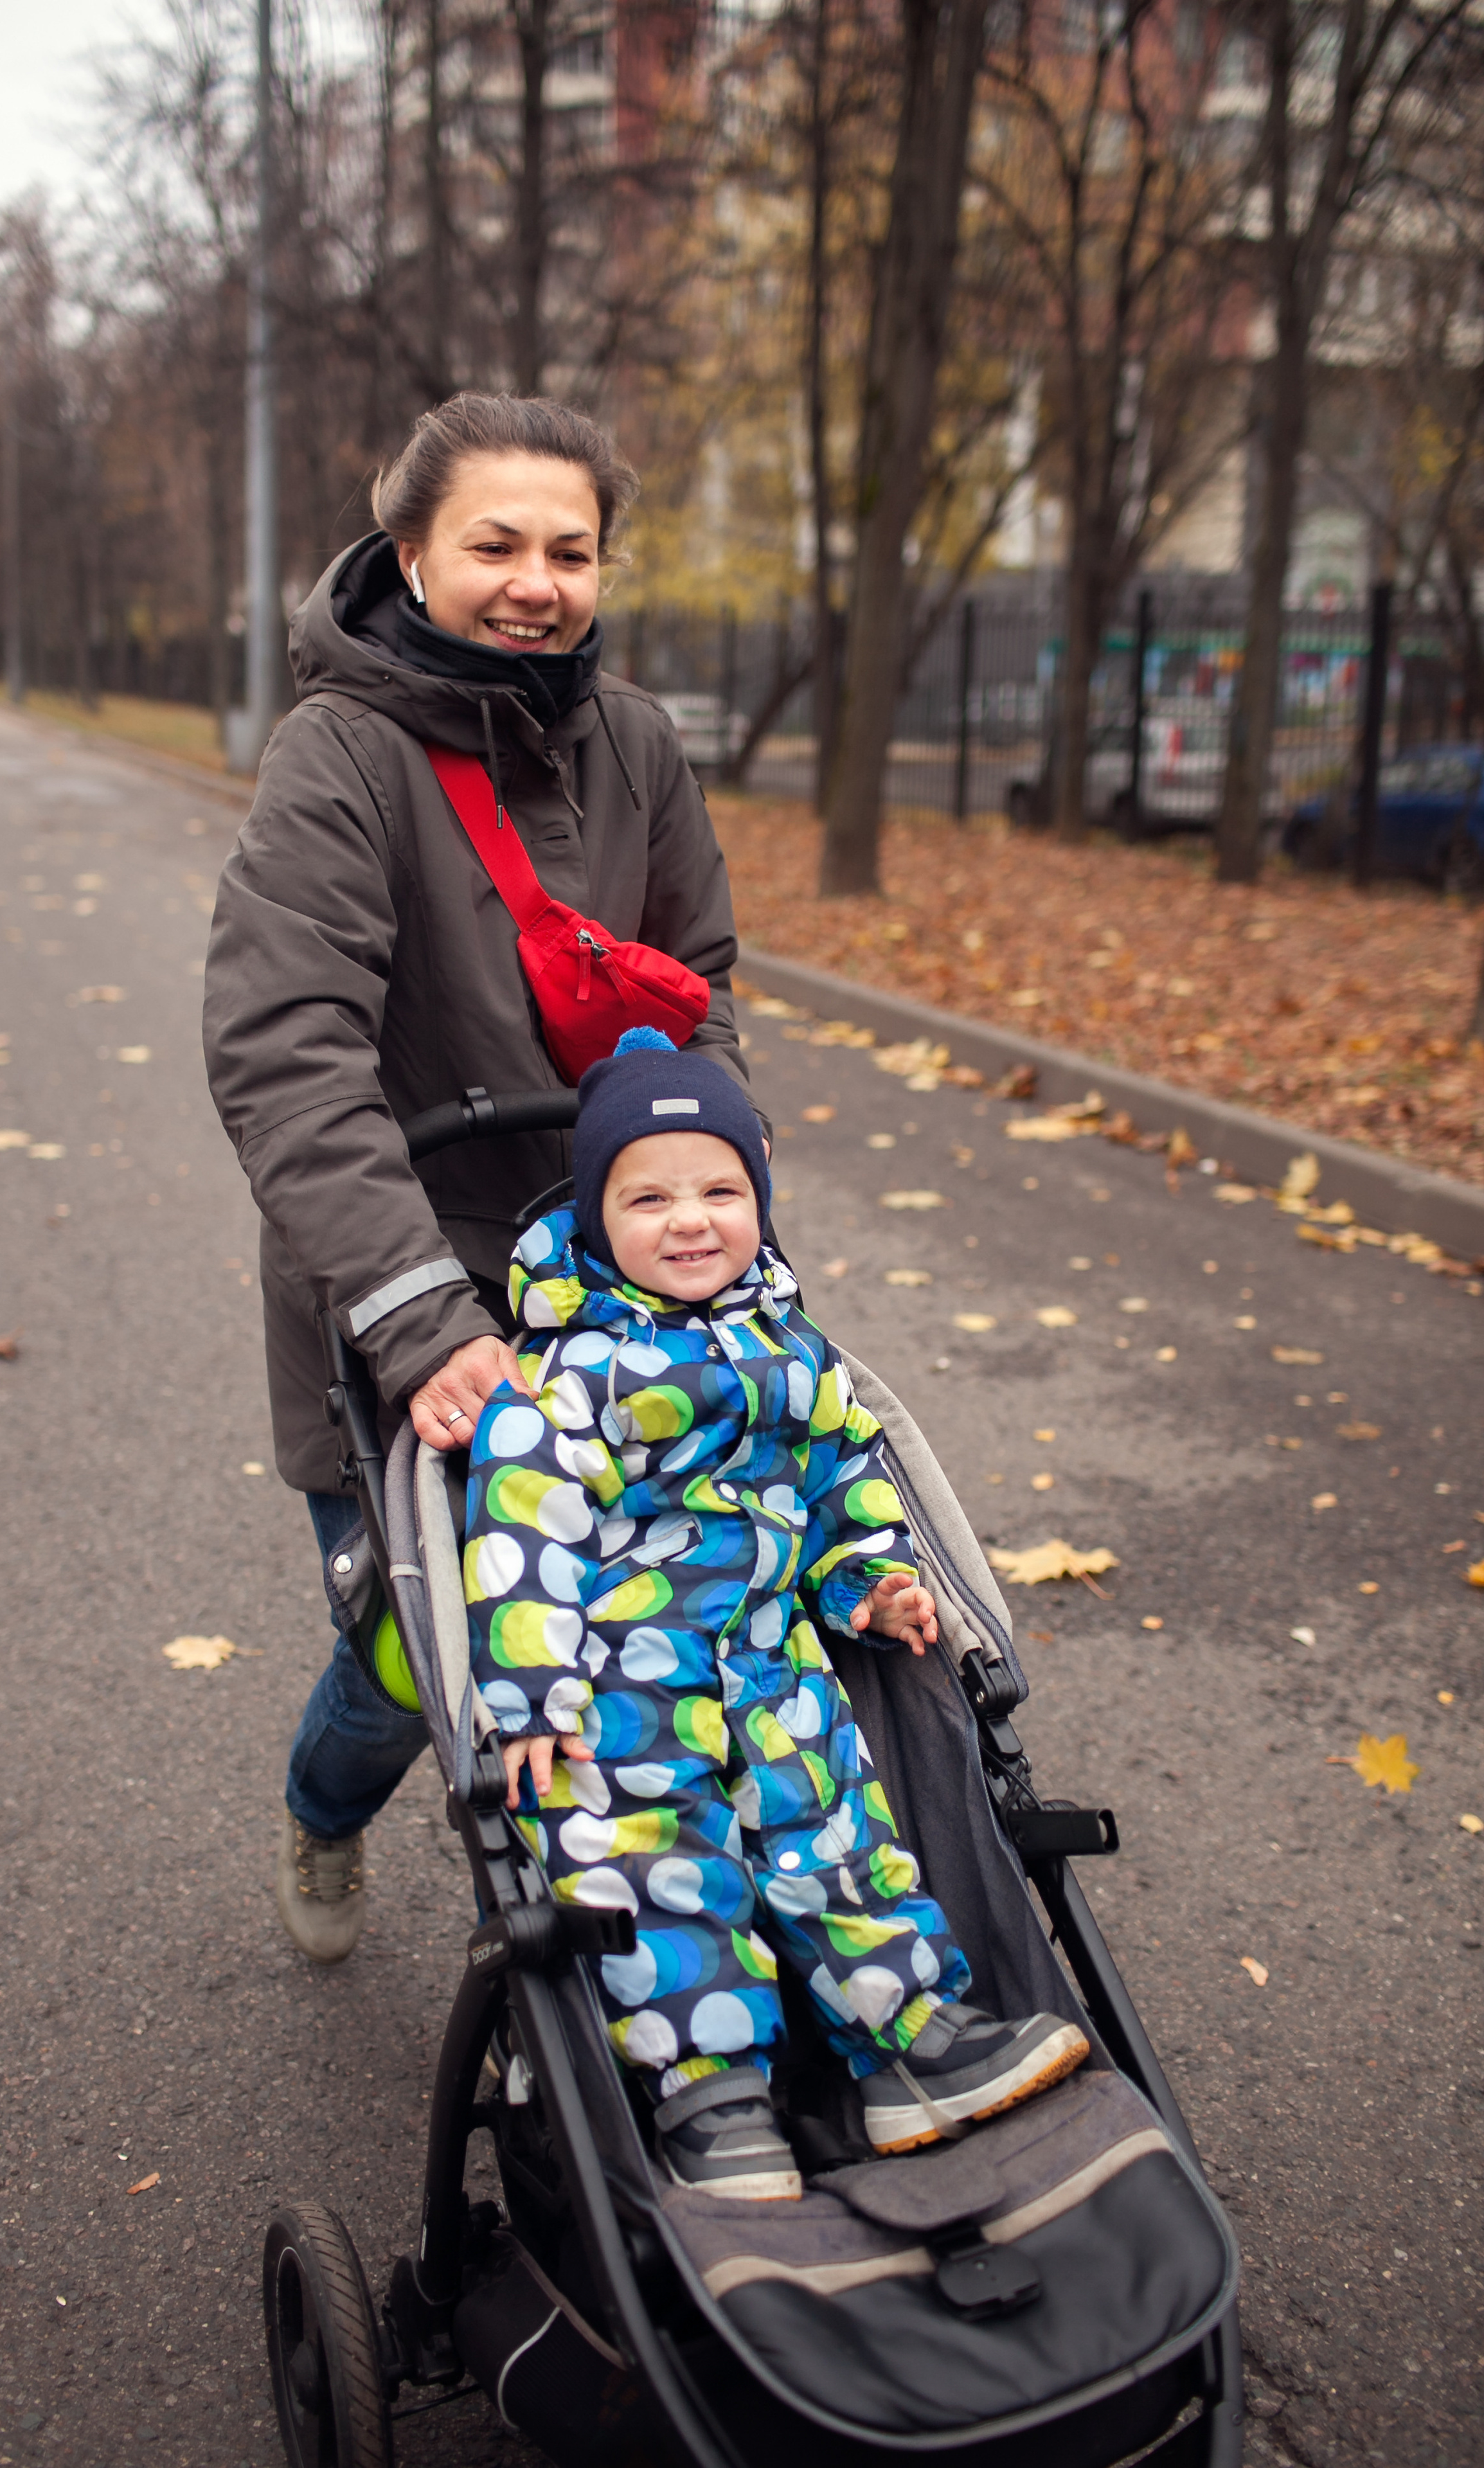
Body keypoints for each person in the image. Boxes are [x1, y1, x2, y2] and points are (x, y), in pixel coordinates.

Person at [204, 393, 754, 1963]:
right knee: (408, 1656)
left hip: (614, 1276)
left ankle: (639, 1924)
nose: (535, 581)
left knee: (660, 1607)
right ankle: (322, 1813)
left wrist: (707, 1205)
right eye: (495, 544)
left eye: (568, 551)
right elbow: (284, 1051)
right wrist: (418, 1319)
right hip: (404, 1275)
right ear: (410, 555)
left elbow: (696, 992)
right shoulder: (340, 758)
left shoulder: (634, 743)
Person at [462, 1030, 1089, 2200]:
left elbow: (845, 1480)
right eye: (647, 1197)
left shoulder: (794, 1354)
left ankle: (909, 2042)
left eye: (722, 1190)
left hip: (771, 1658)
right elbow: (520, 1536)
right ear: (596, 1223)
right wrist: (532, 1694)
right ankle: (710, 2094)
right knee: (663, 1869)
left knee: (841, 1837)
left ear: (760, 1199)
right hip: (620, 1687)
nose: (690, 1220)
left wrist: (868, 1582)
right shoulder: (565, 1379)